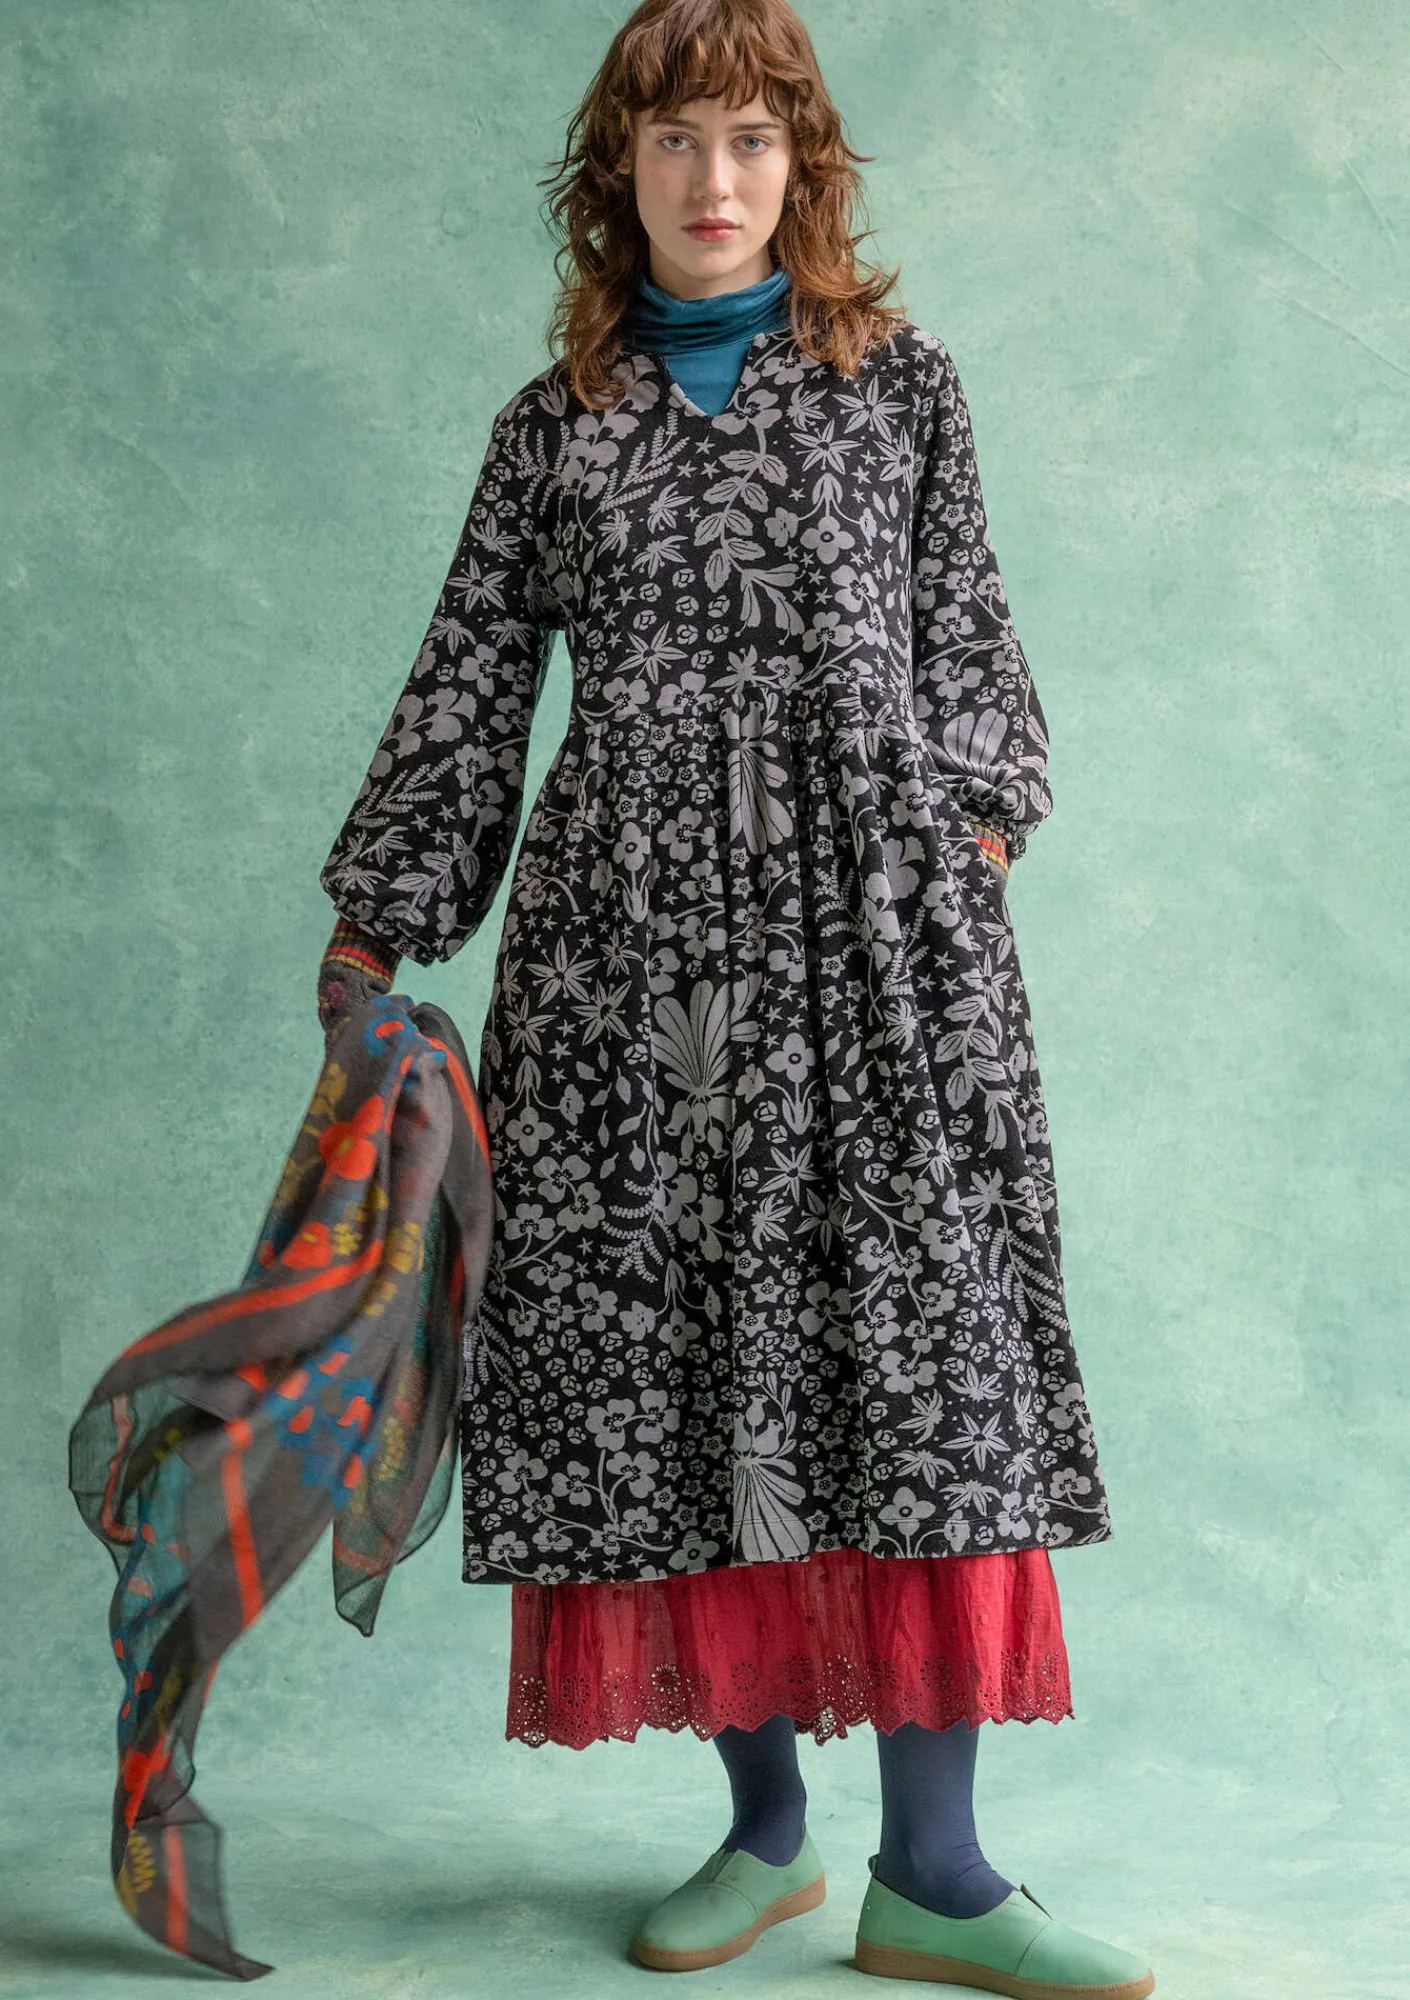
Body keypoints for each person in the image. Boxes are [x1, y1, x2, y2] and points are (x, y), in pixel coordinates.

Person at [316, 2, 1155, 1992]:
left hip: (881, 976)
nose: (715, 180)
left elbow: (970, 642)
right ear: (617, 172)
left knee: (918, 1373)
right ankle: (765, 1835)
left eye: (752, 140)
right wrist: (378, 926)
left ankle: (935, 1872)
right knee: (684, 1383)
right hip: (633, 994)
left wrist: (975, 835)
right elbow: (466, 691)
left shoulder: (898, 386)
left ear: (804, 167)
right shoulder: (554, 426)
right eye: (677, 141)